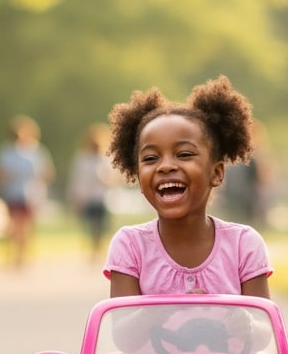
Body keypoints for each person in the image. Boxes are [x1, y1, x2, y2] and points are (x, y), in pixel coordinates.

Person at [103, 75, 271, 299]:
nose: (165, 166)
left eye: (184, 154)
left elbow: (261, 325)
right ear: (136, 174)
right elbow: (123, 326)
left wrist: (221, 314)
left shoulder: (244, 245)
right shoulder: (130, 246)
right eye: (151, 158)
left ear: (217, 173)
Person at [0, 114, 55, 267]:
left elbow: (47, 173)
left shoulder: (37, 151)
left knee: (26, 226)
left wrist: (40, 181)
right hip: (12, 193)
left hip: (32, 194)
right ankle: (14, 253)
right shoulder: (6, 152)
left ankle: (22, 254)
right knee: (14, 224)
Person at [68, 123, 117, 261]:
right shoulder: (82, 158)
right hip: (87, 198)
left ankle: (100, 250)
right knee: (90, 226)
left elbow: (114, 177)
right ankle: (93, 250)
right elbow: (77, 179)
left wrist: (105, 178)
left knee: (101, 226)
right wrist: (76, 196)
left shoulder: (106, 158)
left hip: (103, 198)